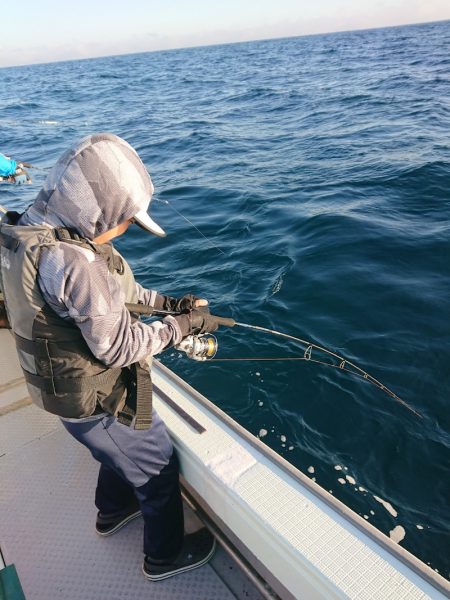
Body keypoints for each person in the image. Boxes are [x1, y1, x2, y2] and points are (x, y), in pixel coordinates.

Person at [0, 133, 221, 581]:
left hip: (66, 395)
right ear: (101, 211)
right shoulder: (76, 262)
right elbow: (117, 345)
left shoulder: (38, 228)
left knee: (118, 454)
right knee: (157, 463)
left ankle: (112, 511)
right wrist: (180, 330)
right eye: (127, 221)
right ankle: (165, 557)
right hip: (96, 401)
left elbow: (120, 293)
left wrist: (169, 305)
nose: (126, 230)